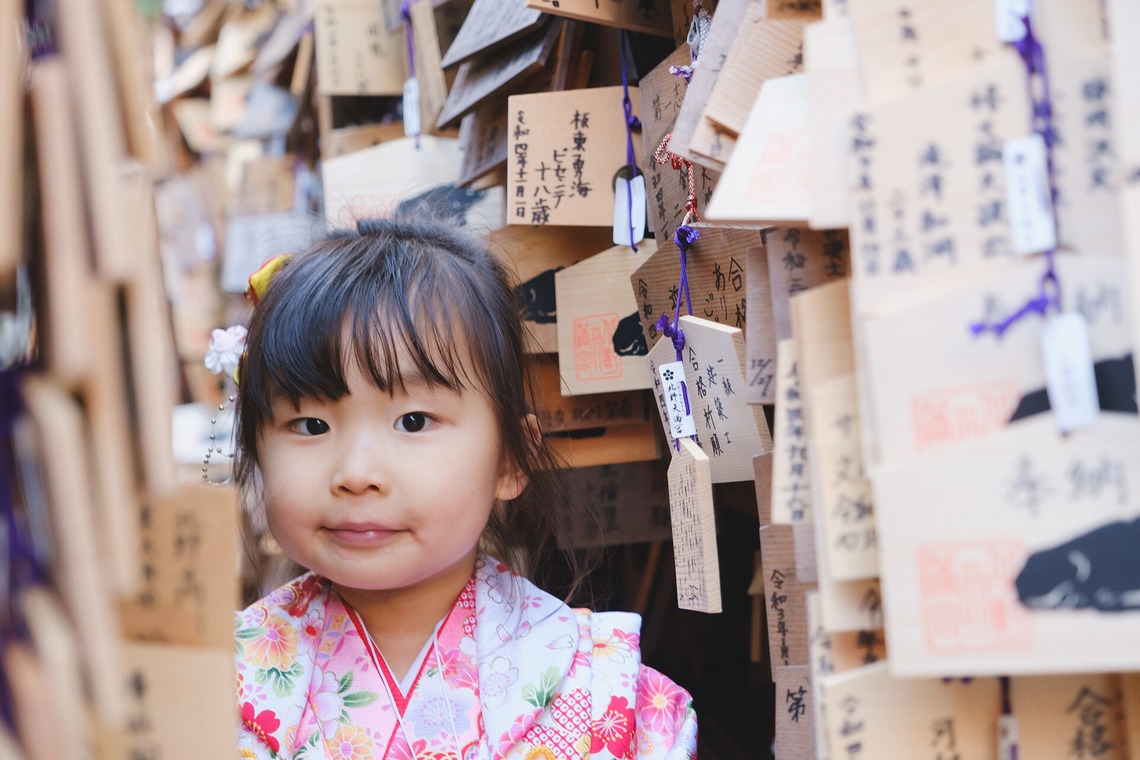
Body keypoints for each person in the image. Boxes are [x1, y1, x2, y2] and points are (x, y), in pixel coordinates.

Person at [230, 216, 697, 760]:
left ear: (508, 459)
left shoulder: (606, 695)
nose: (356, 473)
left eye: (413, 421)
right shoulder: (218, 687)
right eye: (311, 425)